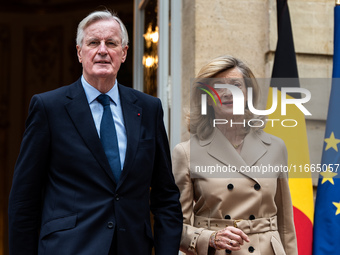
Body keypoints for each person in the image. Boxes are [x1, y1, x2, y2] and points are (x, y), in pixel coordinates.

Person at [8, 10, 182, 255]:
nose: (102, 50)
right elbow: (24, 200)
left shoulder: (148, 109)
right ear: (79, 52)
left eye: (111, 43)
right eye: (93, 43)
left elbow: (165, 197)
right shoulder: (49, 108)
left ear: (124, 53)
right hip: (69, 248)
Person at [172, 55, 297, 254]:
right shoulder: (186, 153)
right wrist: (209, 238)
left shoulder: (276, 147)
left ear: (248, 93)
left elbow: (286, 226)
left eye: (236, 85)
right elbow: (175, 227)